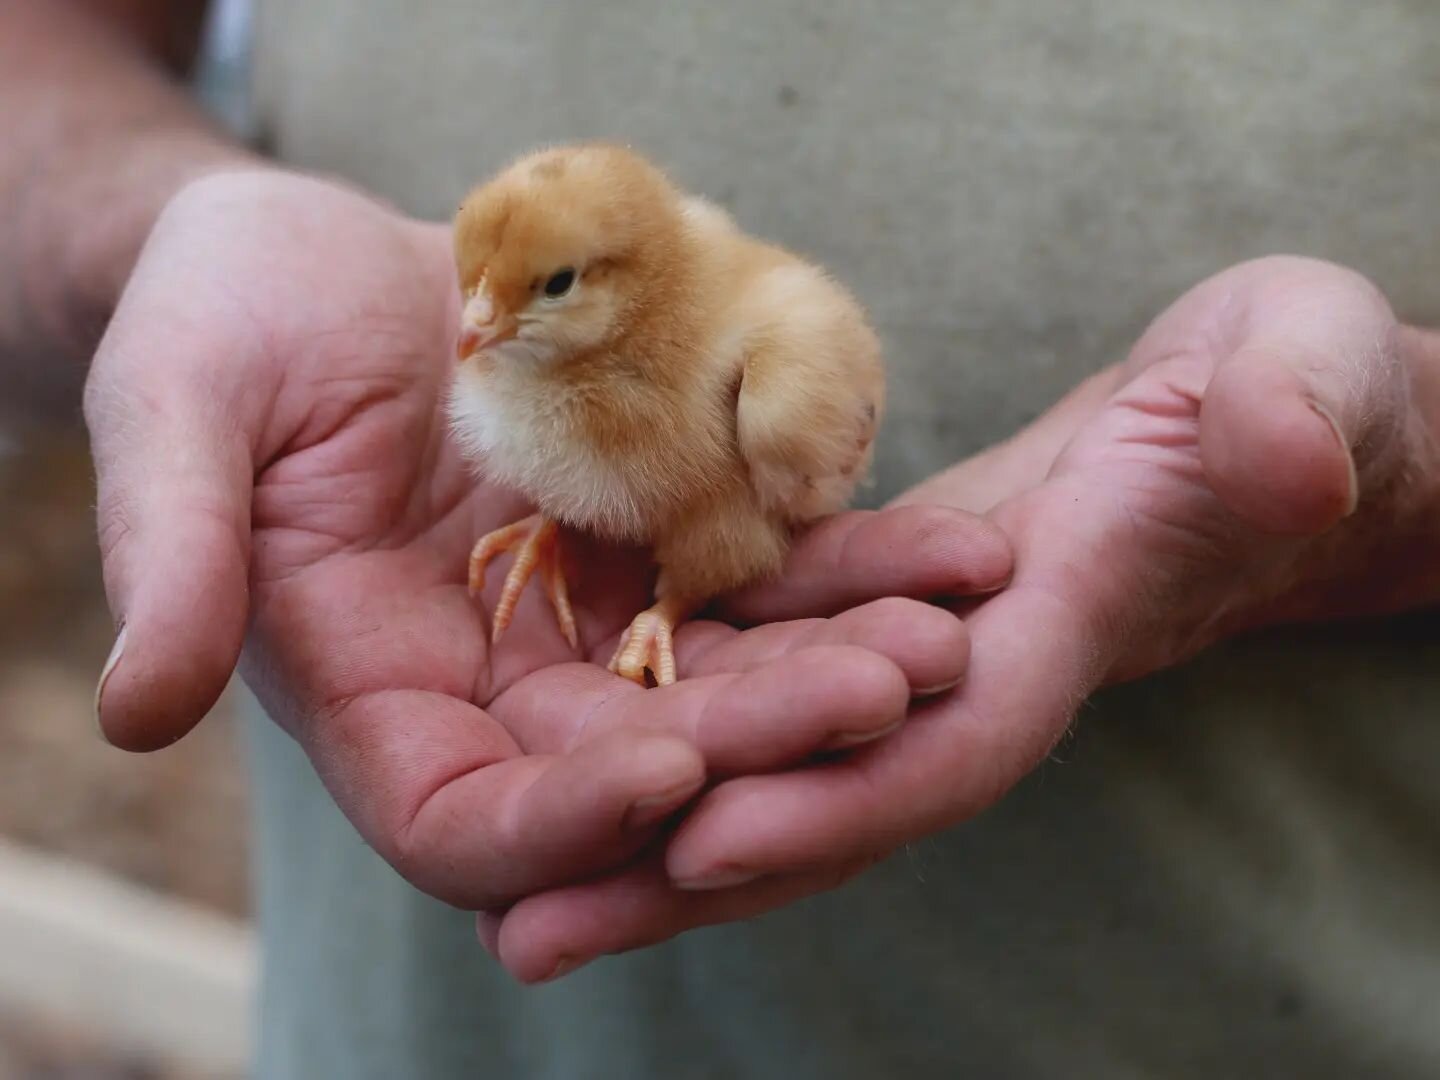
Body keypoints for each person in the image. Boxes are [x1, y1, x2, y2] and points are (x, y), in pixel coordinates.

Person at [4, 2, 1438, 1077]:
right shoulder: (504, 332)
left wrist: (1388, 483)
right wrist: (148, 237)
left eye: (539, 292)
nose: (474, 329)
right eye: (476, 292)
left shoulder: (758, 359)